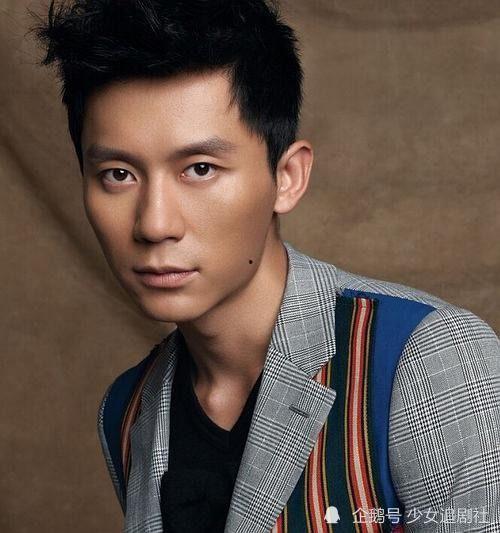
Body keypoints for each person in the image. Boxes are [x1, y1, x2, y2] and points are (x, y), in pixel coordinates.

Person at [31, 1, 499, 532]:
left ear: (287, 178)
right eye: (118, 174)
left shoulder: (427, 361)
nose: (155, 224)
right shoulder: (127, 409)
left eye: (200, 169)